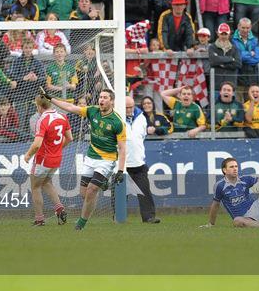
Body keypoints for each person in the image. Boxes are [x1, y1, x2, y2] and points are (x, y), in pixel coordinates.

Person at [40, 87, 126, 230]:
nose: (101, 100)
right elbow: (70, 107)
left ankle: (81, 223)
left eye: (105, 98)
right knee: (84, 194)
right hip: (91, 157)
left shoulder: (117, 122)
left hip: (107, 160)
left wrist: (121, 171)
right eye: (100, 97)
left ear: (112, 101)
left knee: (92, 190)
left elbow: (123, 148)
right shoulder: (92, 111)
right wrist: (51, 99)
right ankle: (103, 182)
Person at [23, 95, 72, 226]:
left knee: (35, 186)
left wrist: (28, 155)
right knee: (47, 182)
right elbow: (69, 138)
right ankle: (60, 209)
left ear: (39, 106)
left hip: (43, 159)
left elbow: (37, 144)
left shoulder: (43, 120)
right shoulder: (63, 117)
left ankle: (39, 219)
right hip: (56, 159)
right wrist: (57, 149)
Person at [125, 96, 160, 223]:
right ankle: (117, 217)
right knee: (119, 194)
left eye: (131, 107)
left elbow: (141, 137)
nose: (129, 110)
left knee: (145, 191)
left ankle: (149, 217)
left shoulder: (141, 117)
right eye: (126, 107)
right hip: (122, 164)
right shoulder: (117, 118)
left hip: (139, 162)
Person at [232, 17, 259, 100]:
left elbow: (257, 58)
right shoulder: (232, 39)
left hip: (252, 76)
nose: (245, 30)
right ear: (238, 26)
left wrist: (242, 55)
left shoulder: (255, 40)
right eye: (243, 28)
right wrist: (249, 53)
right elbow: (236, 56)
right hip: (238, 76)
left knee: (251, 103)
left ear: (251, 27)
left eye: (247, 28)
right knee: (239, 104)